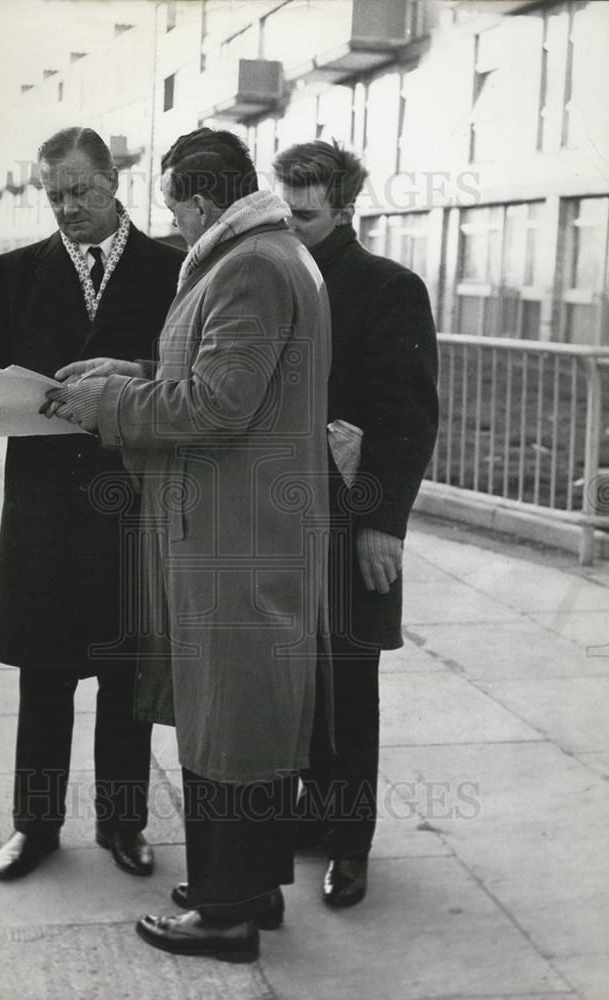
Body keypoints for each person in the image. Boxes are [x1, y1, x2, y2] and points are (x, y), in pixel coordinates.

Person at [42, 127, 333, 963]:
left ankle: (225, 912)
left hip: (231, 539)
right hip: (246, 528)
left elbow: (217, 405)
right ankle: (252, 884)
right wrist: (130, 374)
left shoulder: (245, 264)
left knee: (229, 722)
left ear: (200, 198)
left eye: (170, 201)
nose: (166, 215)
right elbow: (218, 375)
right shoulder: (272, 254)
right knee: (247, 715)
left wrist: (106, 408)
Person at [0, 127, 183, 881]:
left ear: (114, 184)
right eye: (54, 195)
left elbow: (188, 372)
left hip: (130, 504)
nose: (68, 207)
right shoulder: (15, 272)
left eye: (80, 191)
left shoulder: (172, 269)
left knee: (126, 677)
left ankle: (123, 824)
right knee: (42, 678)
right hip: (45, 512)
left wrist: (136, 370)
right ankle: (34, 827)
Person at [273, 140, 439, 908]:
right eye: (285, 210)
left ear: (344, 208)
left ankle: (350, 844)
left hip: (348, 523)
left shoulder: (387, 287)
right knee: (294, 680)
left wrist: (381, 524)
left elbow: (408, 420)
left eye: (305, 214)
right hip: (279, 520)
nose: (292, 225)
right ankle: (315, 815)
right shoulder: (275, 275)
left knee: (348, 680)